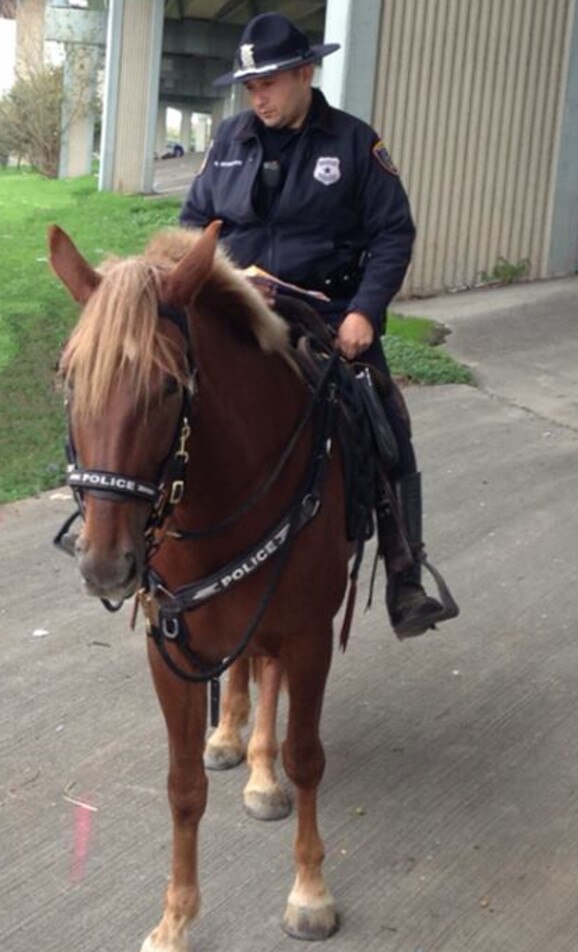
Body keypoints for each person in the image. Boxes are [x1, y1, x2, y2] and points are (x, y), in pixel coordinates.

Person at [180, 12, 458, 640]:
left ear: (306, 72)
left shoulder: (356, 144)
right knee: (163, 400)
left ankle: (404, 569)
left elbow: (393, 233)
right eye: (250, 87)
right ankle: (150, 548)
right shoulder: (228, 142)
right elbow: (192, 223)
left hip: (329, 318)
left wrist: (364, 311)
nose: (259, 97)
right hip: (238, 316)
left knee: (385, 419)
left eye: (270, 82)